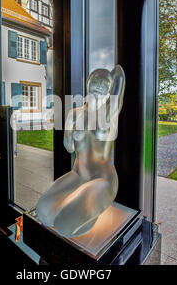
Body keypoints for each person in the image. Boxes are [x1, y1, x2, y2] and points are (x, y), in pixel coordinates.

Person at [36, 65, 126, 237]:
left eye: (104, 83)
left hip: (102, 179)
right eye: (96, 80)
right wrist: (72, 133)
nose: (100, 85)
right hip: (78, 174)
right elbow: (68, 147)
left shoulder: (109, 111)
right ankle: (81, 203)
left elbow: (119, 76)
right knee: (44, 212)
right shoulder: (74, 113)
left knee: (64, 223)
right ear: (88, 83)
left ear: (109, 90)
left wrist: (108, 75)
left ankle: (88, 207)